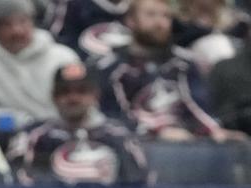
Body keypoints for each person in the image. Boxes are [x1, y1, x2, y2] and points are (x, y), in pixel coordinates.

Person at [94, 0, 232, 140]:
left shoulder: (184, 64)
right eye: (151, 15)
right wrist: (156, 131)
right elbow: (113, 116)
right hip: (136, 141)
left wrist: (214, 130)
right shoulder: (112, 66)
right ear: (131, 21)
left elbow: (198, 106)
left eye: (166, 16)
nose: (160, 22)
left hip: (184, 140)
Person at [7, 61, 150, 185]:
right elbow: (14, 181)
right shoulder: (32, 136)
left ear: (95, 95)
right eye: (65, 91)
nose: (73, 98)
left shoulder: (120, 136)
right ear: (54, 97)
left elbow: (140, 182)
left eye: (82, 91)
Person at [0, 0, 80, 134]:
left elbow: (82, 99)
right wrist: (27, 124)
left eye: (23, 21)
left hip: (63, 131)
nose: (17, 30)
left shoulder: (63, 56)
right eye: (7, 24)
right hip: (10, 135)